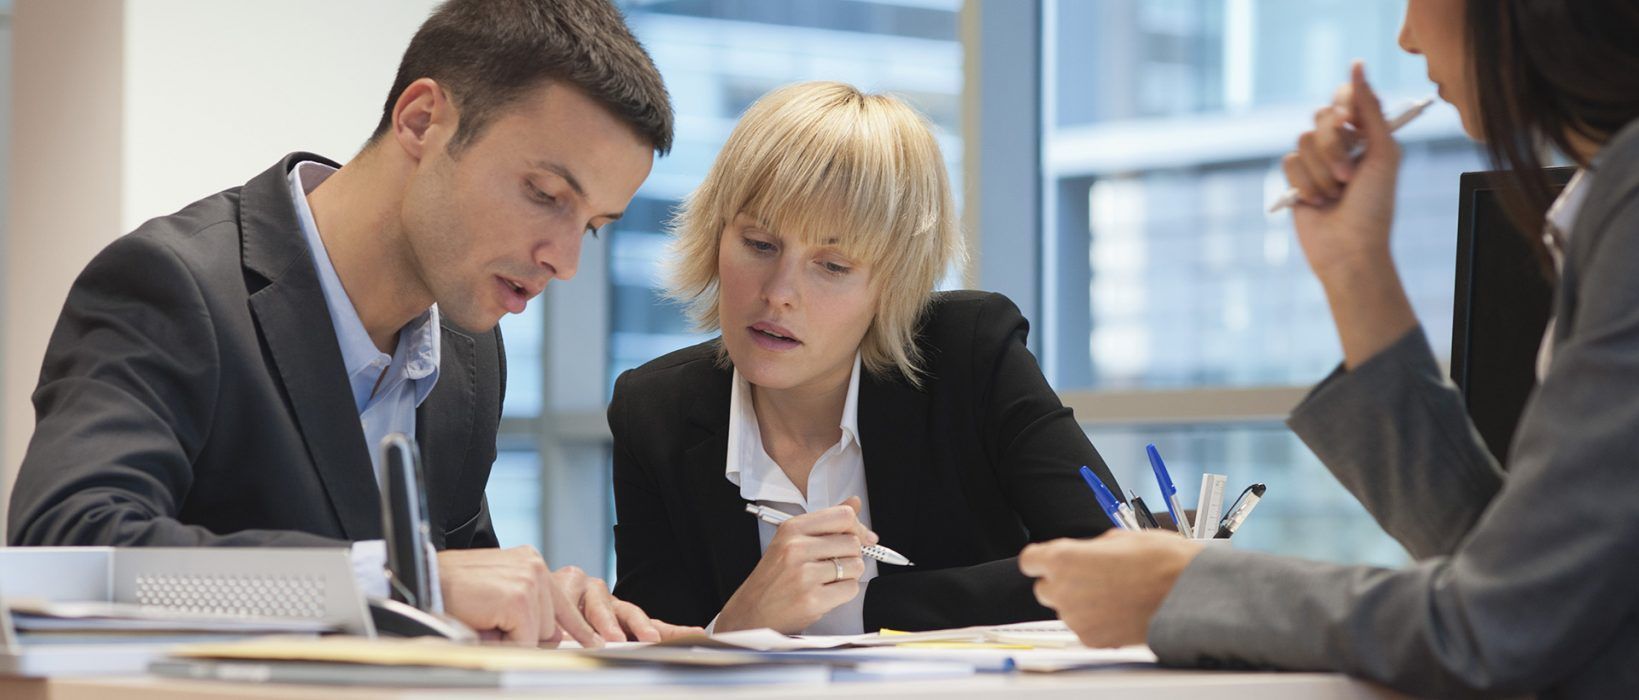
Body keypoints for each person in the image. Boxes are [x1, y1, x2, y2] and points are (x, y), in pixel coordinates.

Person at [8, 0, 696, 647]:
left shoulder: (470, 349)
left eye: (594, 228)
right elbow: (67, 546)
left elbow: (454, 584)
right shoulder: (172, 285)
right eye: (545, 195)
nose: (565, 261)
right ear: (423, 120)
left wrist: (545, 607)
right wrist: (402, 585)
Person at [1019, 1, 1639, 696]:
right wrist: (1354, 269)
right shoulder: (1602, 199)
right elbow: (1503, 575)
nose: (1404, 38)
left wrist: (1184, 585)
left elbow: (1500, 623)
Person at [607, 81, 1120, 635]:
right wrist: (742, 622)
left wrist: (866, 605)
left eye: (832, 266)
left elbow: (1112, 566)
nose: (780, 292)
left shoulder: (969, 352)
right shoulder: (653, 409)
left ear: (892, 285)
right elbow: (646, 643)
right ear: (715, 238)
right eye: (760, 244)